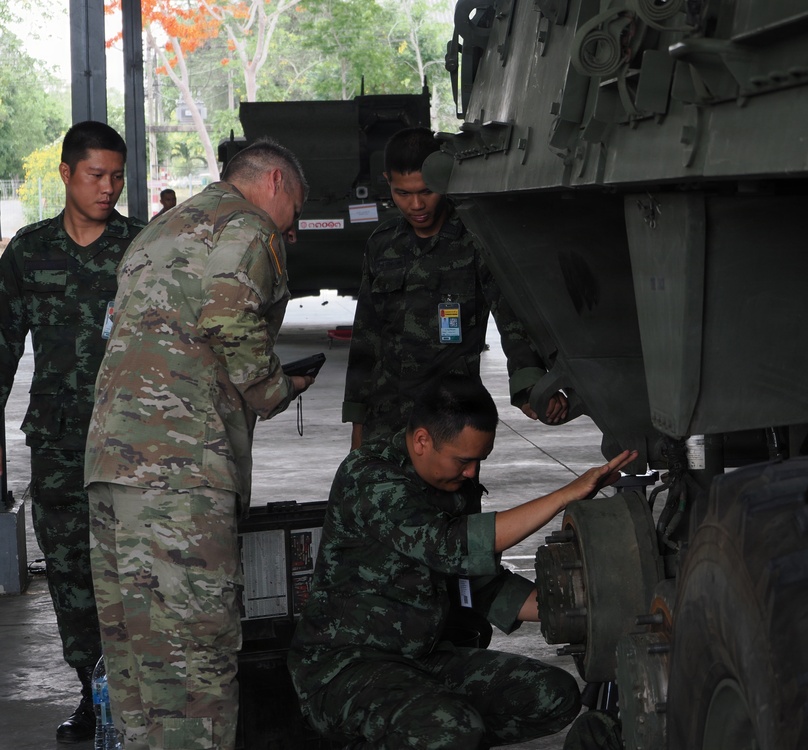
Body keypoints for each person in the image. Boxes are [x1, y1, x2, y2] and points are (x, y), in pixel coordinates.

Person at [85, 138, 312, 750]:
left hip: (111, 466)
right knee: (192, 670)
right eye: (293, 212)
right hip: (180, 476)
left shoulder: (157, 232)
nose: (289, 231)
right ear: (274, 182)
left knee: (138, 663)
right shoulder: (248, 224)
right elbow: (229, 317)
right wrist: (275, 389)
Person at [289, 375, 636, 748]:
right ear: (422, 441)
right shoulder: (370, 477)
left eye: (479, 461)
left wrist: (585, 611)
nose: (471, 472)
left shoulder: (455, 487)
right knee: (451, 728)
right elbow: (448, 546)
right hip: (345, 669)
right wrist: (565, 495)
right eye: (463, 460)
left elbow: (477, 583)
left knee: (553, 696)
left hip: (423, 658)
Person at [0, 120, 145, 744]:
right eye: (95, 175)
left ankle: (142, 694)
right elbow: (2, 346)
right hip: (59, 442)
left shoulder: (141, 249)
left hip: (133, 441)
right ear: (66, 174)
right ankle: (94, 692)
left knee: (136, 567)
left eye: (117, 177)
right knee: (68, 570)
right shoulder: (28, 252)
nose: (108, 187)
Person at [343, 126, 568, 450]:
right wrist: (358, 420)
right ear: (387, 181)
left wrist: (529, 386)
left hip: (451, 418)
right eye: (402, 193)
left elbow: (512, 319)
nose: (416, 204)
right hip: (386, 420)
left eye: (426, 191)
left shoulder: (475, 240)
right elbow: (366, 337)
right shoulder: (382, 244)